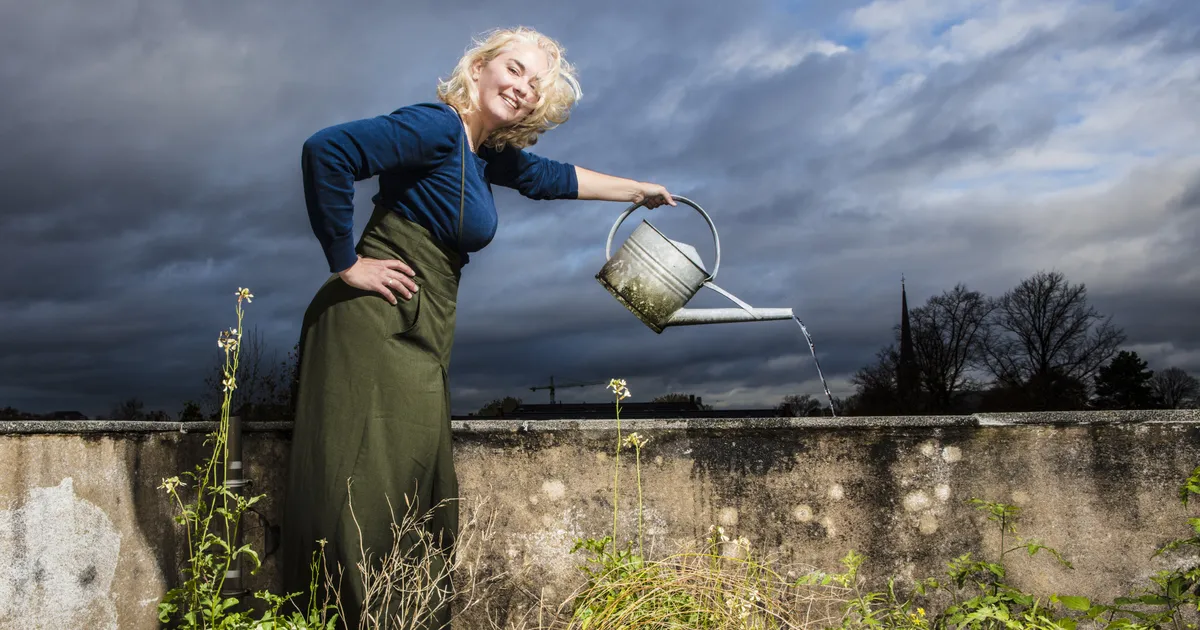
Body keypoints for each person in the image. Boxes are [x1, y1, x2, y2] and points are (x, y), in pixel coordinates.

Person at [280, 26, 674, 629]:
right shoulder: (438, 126)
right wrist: (346, 263)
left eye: (534, 85)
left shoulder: (481, 151)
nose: (521, 88)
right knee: (360, 489)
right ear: (481, 66)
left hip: (422, 323)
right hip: (374, 320)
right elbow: (327, 150)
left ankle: (396, 617)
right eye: (513, 70)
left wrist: (639, 190)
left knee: (410, 486)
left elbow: (554, 179)